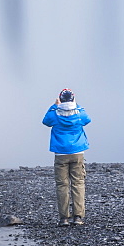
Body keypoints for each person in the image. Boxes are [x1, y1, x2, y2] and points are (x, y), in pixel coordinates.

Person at [42, 88, 91, 227]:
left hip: (60, 153)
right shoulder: (79, 113)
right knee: (78, 183)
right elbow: (88, 119)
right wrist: (77, 105)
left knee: (62, 185)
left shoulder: (55, 114)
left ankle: (64, 218)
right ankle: (78, 217)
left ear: (61, 99)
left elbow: (45, 121)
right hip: (77, 152)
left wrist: (54, 106)